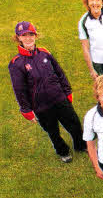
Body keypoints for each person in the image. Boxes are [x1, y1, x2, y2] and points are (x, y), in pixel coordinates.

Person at [8, 21, 86, 163]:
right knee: (53, 132)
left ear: (35, 36)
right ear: (18, 38)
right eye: (24, 35)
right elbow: (19, 90)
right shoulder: (16, 63)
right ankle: (63, 151)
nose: (28, 38)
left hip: (59, 98)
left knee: (74, 123)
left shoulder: (44, 53)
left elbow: (59, 72)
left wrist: (67, 91)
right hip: (41, 106)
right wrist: (26, 110)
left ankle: (81, 146)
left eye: (31, 34)